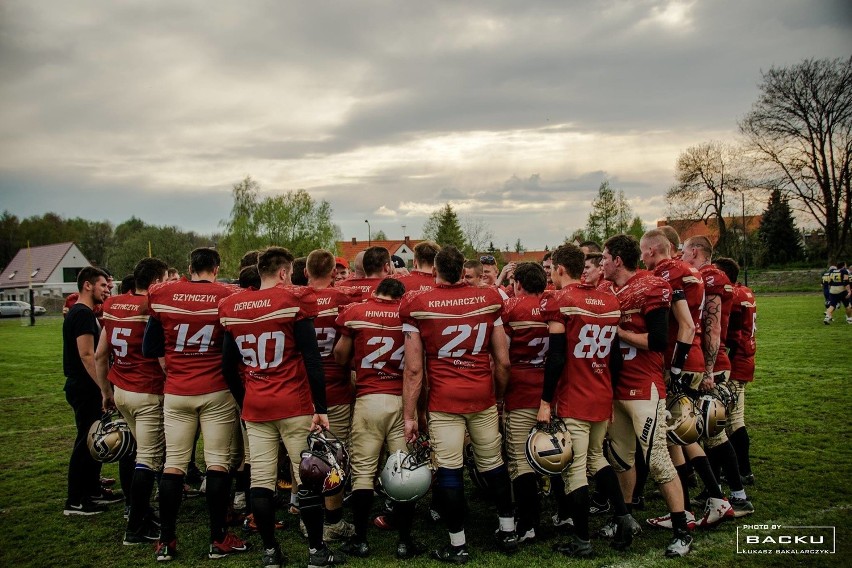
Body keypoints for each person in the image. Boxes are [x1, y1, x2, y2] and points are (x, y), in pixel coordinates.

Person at [220, 246, 339, 568]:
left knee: (261, 479)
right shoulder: (293, 299)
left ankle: (271, 551)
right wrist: (321, 406)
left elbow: (228, 366)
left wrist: (245, 399)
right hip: (294, 402)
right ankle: (316, 550)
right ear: (285, 272)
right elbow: (312, 359)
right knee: (308, 477)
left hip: (256, 404)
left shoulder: (233, 305)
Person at [400, 246, 517, 563]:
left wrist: (410, 415)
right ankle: (508, 531)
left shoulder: (417, 303)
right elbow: (503, 361)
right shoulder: (489, 297)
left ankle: (458, 544)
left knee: (450, 471)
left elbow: (413, 370)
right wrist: (499, 395)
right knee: (492, 463)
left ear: (436, 271)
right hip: (481, 394)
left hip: (444, 399)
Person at [143, 247, 246, 562]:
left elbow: (151, 344)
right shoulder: (228, 295)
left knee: (173, 463)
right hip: (215, 389)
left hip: (177, 390)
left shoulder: (164, 293)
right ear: (216, 268)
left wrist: (171, 367)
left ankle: (166, 541)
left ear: (189, 266)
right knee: (217, 463)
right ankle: (217, 539)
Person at [538, 244, 636, 556]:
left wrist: (544, 401)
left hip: (575, 393)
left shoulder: (561, 300)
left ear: (560, 269)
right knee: (597, 457)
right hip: (601, 388)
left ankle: (582, 541)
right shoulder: (608, 299)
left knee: (575, 470)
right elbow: (616, 357)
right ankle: (624, 517)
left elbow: (555, 357)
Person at [599, 234, 692, 558]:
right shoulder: (610, 290)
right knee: (621, 458)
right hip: (617, 387)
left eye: (605, 258)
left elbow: (657, 340)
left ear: (618, 261)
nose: (601, 264)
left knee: (657, 459)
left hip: (643, 385)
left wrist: (619, 331)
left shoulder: (651, 286)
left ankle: (682, 528)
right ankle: (624, 517)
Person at [639, 229, 733, 530]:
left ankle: (716, 497)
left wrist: (676, 369)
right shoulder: (691, 270)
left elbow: (685, 324)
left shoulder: (669, 273)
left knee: (682, 433)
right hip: (691, 355)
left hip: (677, 356)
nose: (642, 258)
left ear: (653, 250)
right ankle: (691, 506)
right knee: (675, 435)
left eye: (644, 251)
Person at [333, 277, 426, 559]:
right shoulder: (407, 315)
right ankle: (404, 541)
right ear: (401, 297)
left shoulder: (357, 311)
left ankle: (360, 540)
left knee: (363, 473)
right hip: (401, 399)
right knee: (404, 472)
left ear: (375, 291)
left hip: (368, 398)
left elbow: (339, 355)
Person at [95, 257, 169, 542]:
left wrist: (105, 391)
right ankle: (136, 526)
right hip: (146, 390)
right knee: (149, 459)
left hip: (121, 388)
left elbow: (102, 354)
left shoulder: (114, 304)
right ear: (154, 282)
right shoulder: (151, 307)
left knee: (139, 453)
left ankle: (141, 513)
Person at [681, 237, 754, 517]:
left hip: (712, 364)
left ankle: (738, 495)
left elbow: (712, 328)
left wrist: (709, 370)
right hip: (711, 362)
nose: (682, 255)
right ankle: (717, 493)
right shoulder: (707, 277)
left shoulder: (711, 276)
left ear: (695, 251)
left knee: (715, 433)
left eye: (685, 251)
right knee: (706, 432)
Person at [305, 249, 361, 542]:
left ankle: (307, 515)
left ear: (305, 272)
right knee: (334, 457)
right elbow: (346, 351)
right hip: (335, 387)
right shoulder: (342, 301)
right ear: (332, 273)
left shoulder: (294, 299)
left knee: (305, 456)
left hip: (301, 389)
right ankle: (333, 521)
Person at [63, 266, 121, 516]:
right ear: (87, 285)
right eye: (103, 285)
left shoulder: (82, 313)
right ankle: (76, 500)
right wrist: (104, 387)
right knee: (85, 442)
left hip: (85, 385)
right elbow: (87, 355)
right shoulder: (83, 314)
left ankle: (92, 490)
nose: (107, 289)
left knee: (92, 439)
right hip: (85, 387)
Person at [500, 262, 550, 543]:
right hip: (548, 391)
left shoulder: (511, 309)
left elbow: (503, 358)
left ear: (517, 283)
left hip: (520, 391)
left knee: (520, 462)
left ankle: (528, 524)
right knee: (552, 456)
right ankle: (561, 514)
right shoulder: (553, 306)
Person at [713, 257, 757, 486]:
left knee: (731, 421)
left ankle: (744, 470)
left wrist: (722, 364)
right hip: (745, 358)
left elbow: (734, 335)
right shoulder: (745, 292)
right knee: (730, 420)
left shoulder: (735, 296)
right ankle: (740, 469)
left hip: (736, 360)